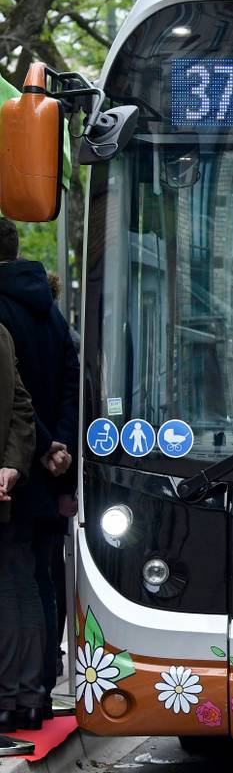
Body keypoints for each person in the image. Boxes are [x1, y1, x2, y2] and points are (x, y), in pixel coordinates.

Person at [0, 219, 78, 722]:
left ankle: (17, 694)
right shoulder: (50, 311)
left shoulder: (2, 309)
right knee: (42, 580)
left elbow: (14, 396)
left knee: (15, 580)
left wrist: (45, 443)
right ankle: (41, 689)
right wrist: (63, 447)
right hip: (51, 467)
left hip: (19, 465)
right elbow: (73, 381)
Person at [0, 321, 43, 733]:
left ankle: (11, 695)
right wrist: (11, 466)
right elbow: (20, 406)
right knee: (18, 581)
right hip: (11, 483)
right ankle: (24, 695)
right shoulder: (2, 332)